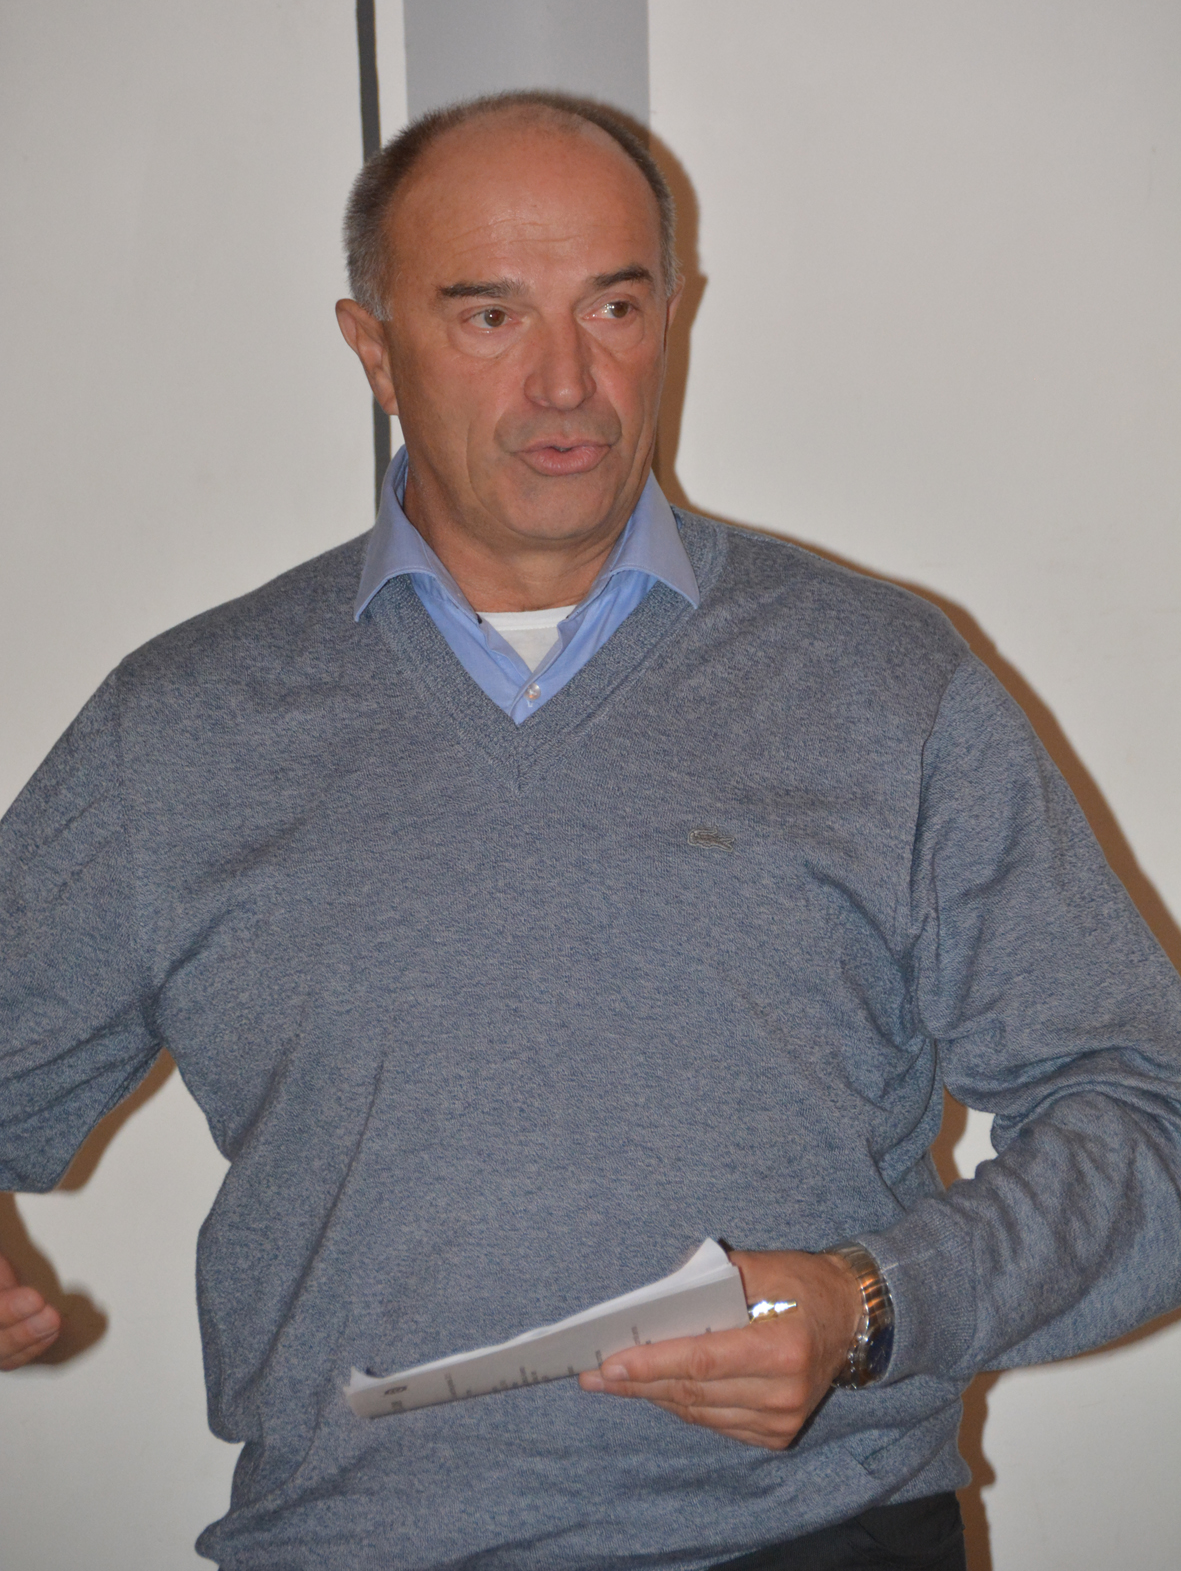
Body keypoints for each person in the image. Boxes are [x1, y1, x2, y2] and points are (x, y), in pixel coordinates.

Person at [2, 91, 1179, 1571]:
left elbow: (1150, 1115)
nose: (566, 382)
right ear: (373, 347)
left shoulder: (883, 683)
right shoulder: (184, 726)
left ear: (671, 318)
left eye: (614, 308)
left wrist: (870, 1304)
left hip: (819, 1539)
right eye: (489, 316)